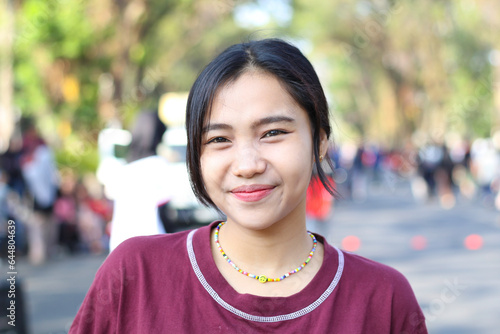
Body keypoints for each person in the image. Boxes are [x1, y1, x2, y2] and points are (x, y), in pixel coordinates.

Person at [70, 38, 427, 333]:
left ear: (319, 141)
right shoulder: (135, 275)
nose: (247, 165)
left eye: (273, 133)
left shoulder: (383, 299)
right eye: (219, 140)